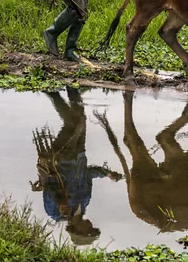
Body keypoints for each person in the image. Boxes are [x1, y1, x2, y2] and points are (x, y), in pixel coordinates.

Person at [30, 87, 122, 245]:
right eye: (92, 229)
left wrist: (59, 202)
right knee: (80, 119)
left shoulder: (55, 214)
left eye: (88, 230)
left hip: (62, 157)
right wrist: (106, 174)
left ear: (76, 229)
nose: (90, 225)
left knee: (76, 122)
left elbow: (47, 189)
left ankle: (59, 91)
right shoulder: (84, 203)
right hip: (79, 154)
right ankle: (67, 89)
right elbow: (88, 174)